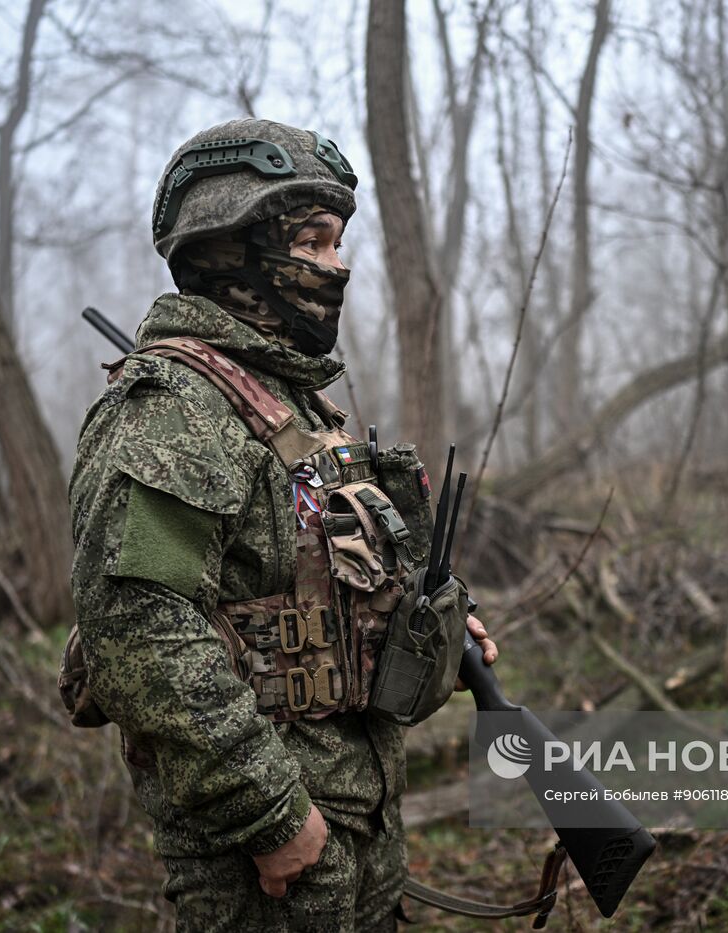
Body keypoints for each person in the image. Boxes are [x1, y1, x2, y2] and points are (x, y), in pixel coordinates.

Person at [68, 118, 497, 931]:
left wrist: (428, 617)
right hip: (269, 857)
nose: (338, 266)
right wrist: (272, 817)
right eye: (314, 240)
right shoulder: (174, 409)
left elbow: (316, 577)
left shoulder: (295, 405)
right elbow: (138, 632)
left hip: (358, 822)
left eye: (338, 242)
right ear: (233, 247)